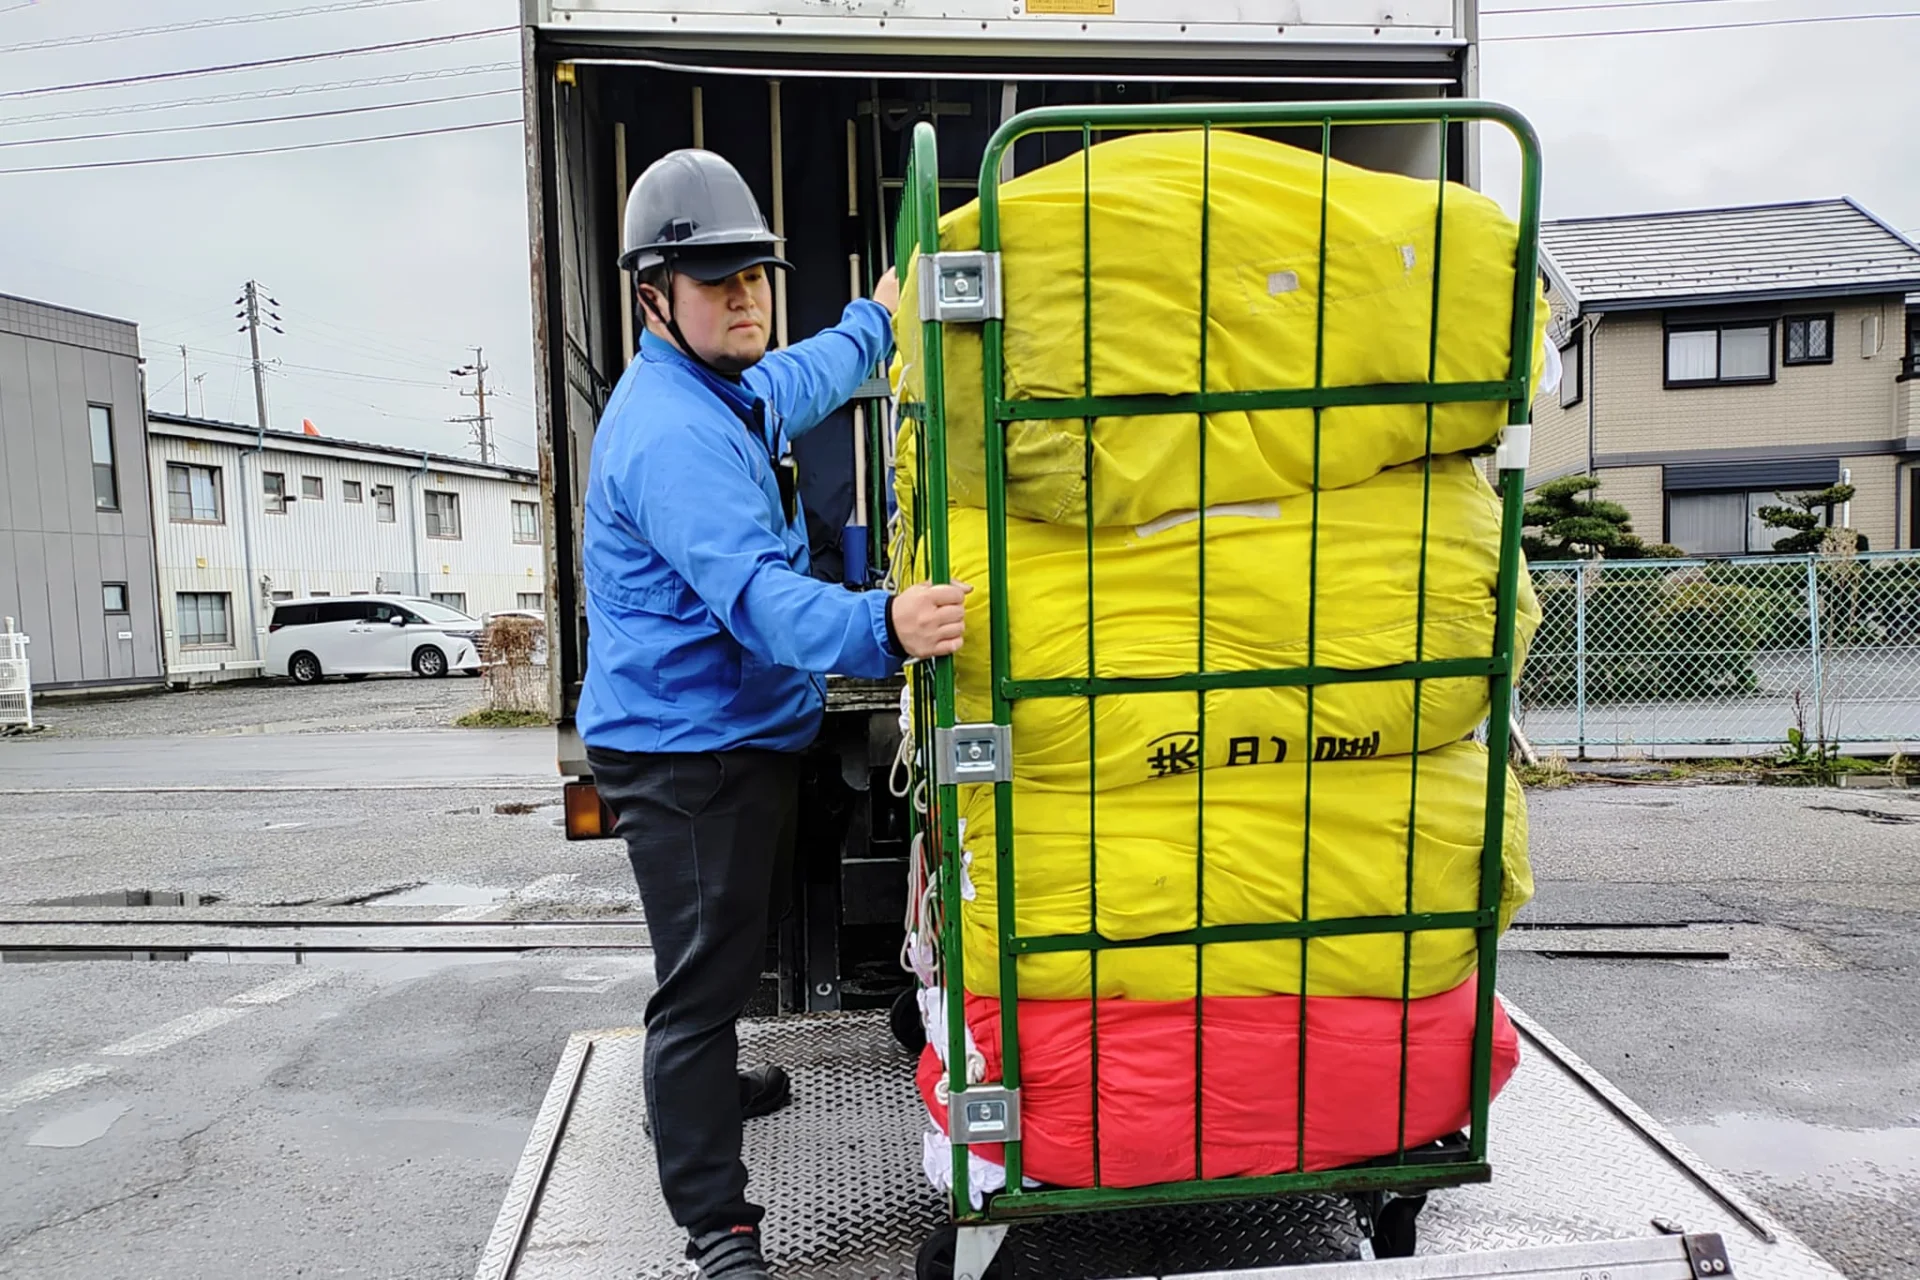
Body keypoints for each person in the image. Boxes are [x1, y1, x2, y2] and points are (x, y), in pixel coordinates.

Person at [579, 148, 969, 1280]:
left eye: (753, 272)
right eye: (716, 279)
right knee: (702, 982)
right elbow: (755, 599)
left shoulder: (722, 384)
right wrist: (882, 624)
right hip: (685, 750)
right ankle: (715, 1222)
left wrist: (877, 319)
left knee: (730, 944)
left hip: (742, 727)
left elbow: (801, 376)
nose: (743, 294)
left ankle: (699, 1085)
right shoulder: (674, 435)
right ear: (655, 293)